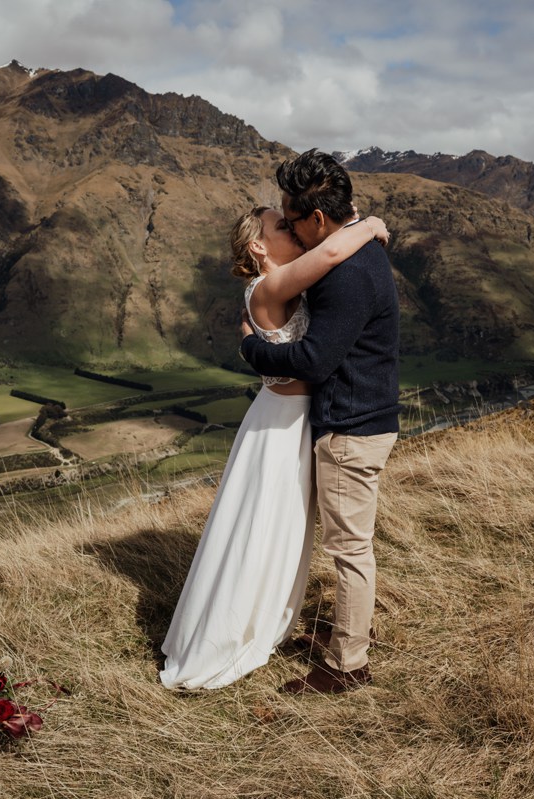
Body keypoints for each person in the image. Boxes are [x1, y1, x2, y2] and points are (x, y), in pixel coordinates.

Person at [158, 205, 390, 691]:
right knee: (261, 531)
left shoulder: (291, 284)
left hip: (297, 422)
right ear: (258, 247)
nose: (294, 228)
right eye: (282, 226)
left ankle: (266, 622)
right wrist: (367, 225)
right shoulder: (267, 288)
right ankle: (233, 633)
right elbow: (330, 249)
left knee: (285, 535)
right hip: (280, 429)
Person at [241, 149, 401, 695]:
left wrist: (253, 352)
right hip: (364, 416)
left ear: (318, 219)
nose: (291, 228)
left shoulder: (346, 274)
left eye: (292, 219)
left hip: (351, 427)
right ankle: (348, 635)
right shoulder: (361, 248)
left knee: (350, 547)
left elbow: (312, 361)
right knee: (349, 541)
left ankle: (346, 666)